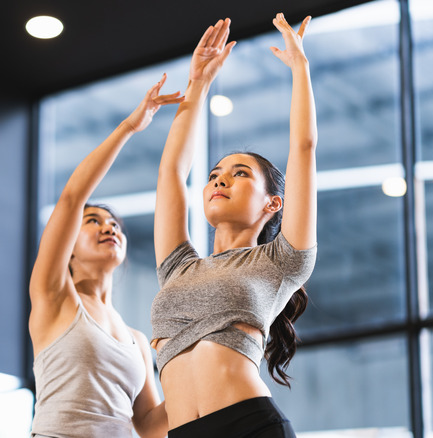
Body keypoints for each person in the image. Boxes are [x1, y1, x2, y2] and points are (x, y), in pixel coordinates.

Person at [151, 14, 318, 437]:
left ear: (273, 203)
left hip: (249, 427)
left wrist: (300, 68)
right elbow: (172, 171)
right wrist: (198, 83)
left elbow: (303, 147)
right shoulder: (178, 267)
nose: (220, 180)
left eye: (240, 173)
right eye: (214, 175)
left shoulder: (282, 261)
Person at [28, 75, 182, 438]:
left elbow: (149, 425)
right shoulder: (54, 296)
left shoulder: (137, 340)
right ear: (68, 246)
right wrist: (130, 127)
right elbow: (72, 197)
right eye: (93, 221)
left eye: (114, 224)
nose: (109, 227)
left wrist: (197, 369)